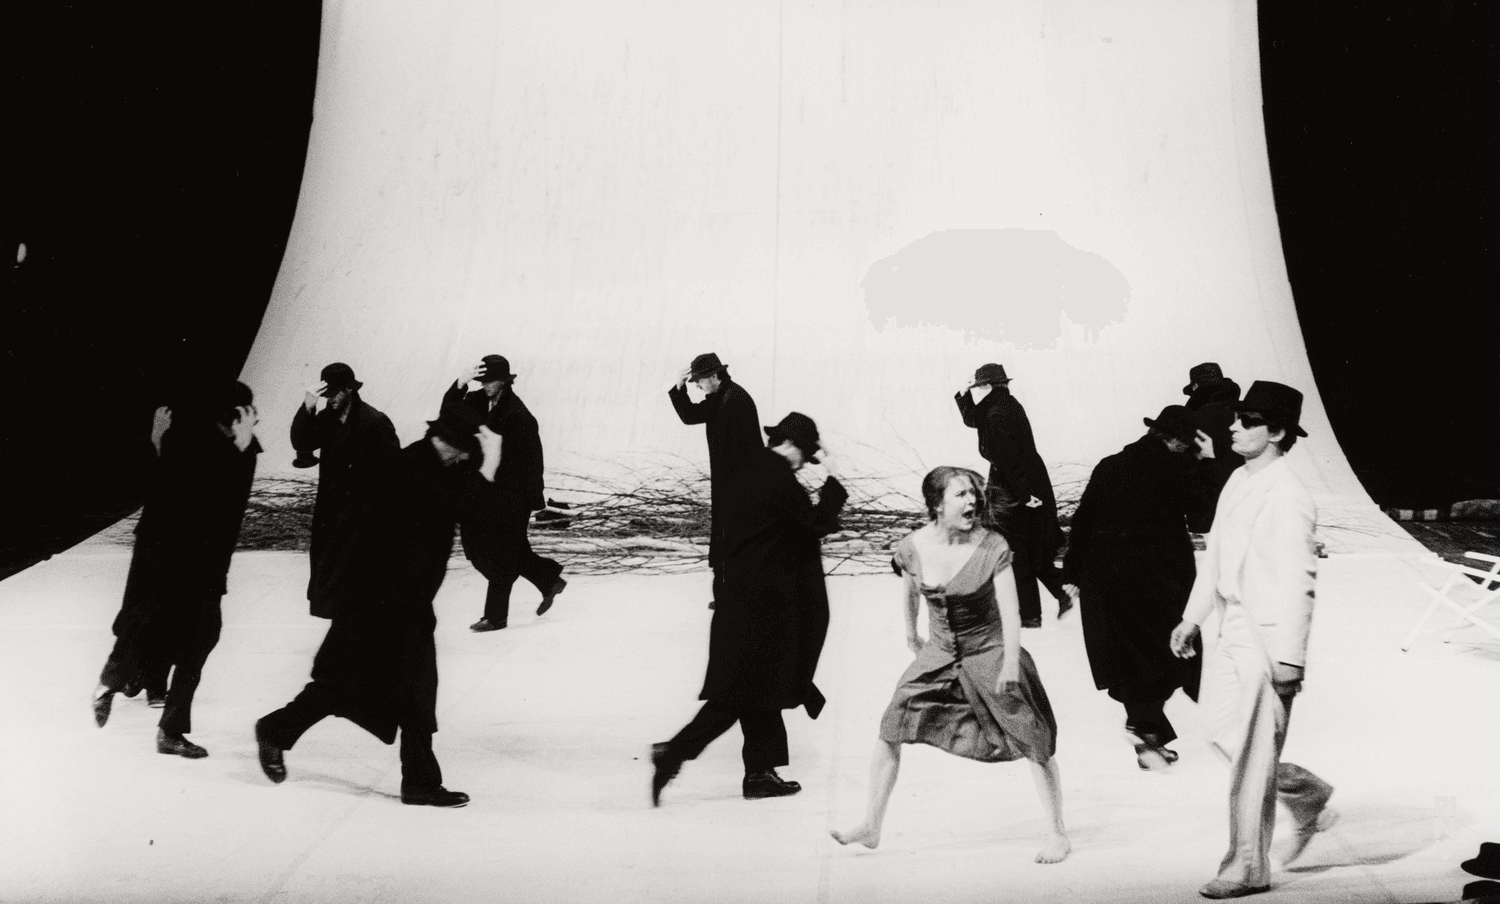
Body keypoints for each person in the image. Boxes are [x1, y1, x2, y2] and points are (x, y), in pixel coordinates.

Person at [254, 400, 496, 807]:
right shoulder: (411, 469)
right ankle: (276, 729)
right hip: (374, 604)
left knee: (415, 692)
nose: (467, 455)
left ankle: (419, 781)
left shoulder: (439, 467)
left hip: (406, 603)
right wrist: (487, 471)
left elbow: (475, 508)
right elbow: (458, 503)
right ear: (443, 441)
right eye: (463, 447)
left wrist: (480, 470)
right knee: (344, 687)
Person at [831, 466, 1069, 863]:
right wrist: (911, 634)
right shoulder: (913, 545)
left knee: (1032, 737)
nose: (972, 501)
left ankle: (1057, 834)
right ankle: (871, 824)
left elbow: (1012, 611)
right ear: (936, 505)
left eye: (974, 493)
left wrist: (1011, 661)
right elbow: (909, 590)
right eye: (961, 495)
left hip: (990, 648)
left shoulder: (992, 545)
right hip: (941, 650)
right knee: (891, 725)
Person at [1169, 381, 1337, 899]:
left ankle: (1246, 867)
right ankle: (1306, 793)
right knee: (1224, 735)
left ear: (1278, 432)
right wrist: (1191, 618)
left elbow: (1298, 583)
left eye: (1248, 421)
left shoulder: (1288, 497)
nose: (1234, 427)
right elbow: (1216, 555)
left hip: (1267, 642)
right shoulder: (1240, 479)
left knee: (1250, 757)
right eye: (1236, 419)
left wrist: (1290, 659)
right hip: (1232, 627)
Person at [651, 412, 847, 805]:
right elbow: (814, 524)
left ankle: (760, 773)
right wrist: (834, 479)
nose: (802, 463)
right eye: (804, 455)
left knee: (760, 688)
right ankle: (675, 751)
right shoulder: (775, 476)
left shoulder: (752, 471)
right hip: (764, 605)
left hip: (745, 598)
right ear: (792, 446)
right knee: (741, 693)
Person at [93, 381, 262, 759]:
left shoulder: (215, 444)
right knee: (180, 636)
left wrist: (242, 448)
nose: (255, 417)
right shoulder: (195, 444)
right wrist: (240, 448)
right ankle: (124, 685)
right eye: (248, 411)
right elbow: (210, 501)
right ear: (233, 415)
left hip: (202, 566)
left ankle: (151, 713)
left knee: (193, 642)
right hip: (181, 566)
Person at [1064, 405, 1217, 770]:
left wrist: (1071, 573)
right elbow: (1203, 518)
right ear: (1178, 440)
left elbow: (1083, 520)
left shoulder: (1110, 464)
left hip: (1104, 574)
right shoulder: (1178, 467)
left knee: (1130, 656)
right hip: (1155, 577)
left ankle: (1149, 741)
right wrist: (1207, 462)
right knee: (1167, 653)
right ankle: (1143, 730)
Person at [444, 354, 565, 632]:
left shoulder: (518, 415)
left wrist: (532, 501)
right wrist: (459, 385)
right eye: (481, 380)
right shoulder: (475, 401)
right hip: (479, 491)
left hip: (511, 497)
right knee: (479, 550)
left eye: (490, 381)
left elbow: (533, 460)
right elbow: (448, 415)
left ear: (505, 381)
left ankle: (495, 616)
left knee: (501, 555)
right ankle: (548, 578)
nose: (485, 385)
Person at [954, 363, 1070, 627]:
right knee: (1020, 549)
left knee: (1014, 549)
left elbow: (1010, 458)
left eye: (977, 387)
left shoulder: (998, 413)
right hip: (1015, 481)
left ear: (986, 386)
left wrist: (1024, 494)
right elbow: (973, 419)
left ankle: (1032, 613)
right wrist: (962, 394)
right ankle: (1053, 597)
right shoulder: (1001, 404)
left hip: (1014, 484)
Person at [290, 362, 400, 618]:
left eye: (335, 393)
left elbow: (393, 471)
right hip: (331, 512)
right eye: (326, 394)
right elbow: (302, 441)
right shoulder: (327, 418)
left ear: (349, 390)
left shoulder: (374, 422)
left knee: (357, 576)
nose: (330, 399)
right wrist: (308, 405)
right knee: (331, 576)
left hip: (363, 514)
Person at [668, 352, 761, 607]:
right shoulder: (720, 397)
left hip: (741, 486)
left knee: (734, 541)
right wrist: (678, 387)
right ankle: (726, 595)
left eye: (699, 380)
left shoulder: (735, 400)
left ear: (713, 376)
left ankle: (736, 596)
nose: (696, 385)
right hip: (728, 485)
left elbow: (749, 451)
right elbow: (689, 416)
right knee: (726, 540)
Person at [1183, 362, 1244, 517]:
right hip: (1248, 495)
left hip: (1214, 504)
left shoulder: (1196, 418)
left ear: (1196, 387)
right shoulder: (1246, 412)